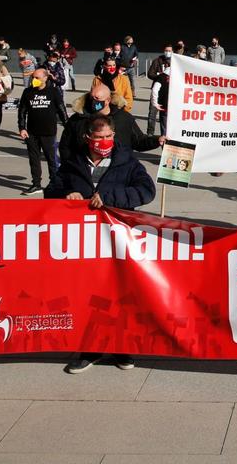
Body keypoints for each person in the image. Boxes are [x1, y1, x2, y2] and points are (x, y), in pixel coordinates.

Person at [45, 114, 155, 374]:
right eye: (99, 138)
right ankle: (90, 349)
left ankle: (122, 347)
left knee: (119, 295)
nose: (104, 142)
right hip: (85, 243)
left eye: (108, 137)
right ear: (88, 138)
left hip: (117, 240)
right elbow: (51, 192)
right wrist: (67, 196)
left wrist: (108, 196)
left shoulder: (126, 161)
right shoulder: (73, 162)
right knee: (89, 296)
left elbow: (145, 191)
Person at [60, 82, 163, 163]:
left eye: (97, 99)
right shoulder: (77, 119)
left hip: (117, 172)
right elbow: (65, 146)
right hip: (85, 171)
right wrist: (71, 166)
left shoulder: (124, 118)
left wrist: (156, 140)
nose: (93, 102)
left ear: (108, 100)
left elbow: (138, 141)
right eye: (91, 98)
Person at [17, 67, 68, 195]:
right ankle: (36, 184)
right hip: (31, 132)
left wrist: (68, 126)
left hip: (48, 132)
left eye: (37, 78)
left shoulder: (53, 91)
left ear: (45, 78)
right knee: (34, 159)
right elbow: (22, 111)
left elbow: (61, 109)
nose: (34, 80)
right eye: (33, 77)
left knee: (51, 159)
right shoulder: (27, 92)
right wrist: (22, 127)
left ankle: (54, 184)